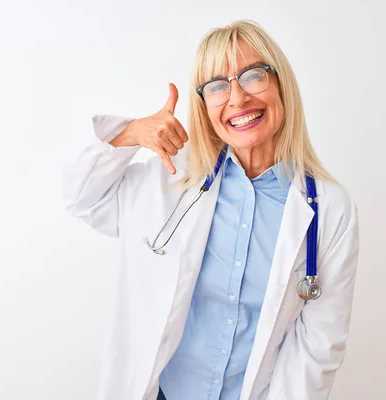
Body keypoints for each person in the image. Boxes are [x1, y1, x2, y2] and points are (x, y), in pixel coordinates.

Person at [63, 20, 359, 400]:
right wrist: (130, 134)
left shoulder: (330, 211)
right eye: (217, 85)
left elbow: (318, 348)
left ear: (281, 83)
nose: (236, 99)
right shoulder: (170, 178)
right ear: (203, 105)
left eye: (253, 76)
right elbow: (81, 198)